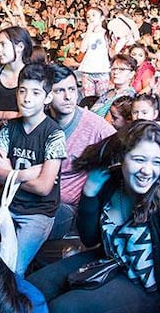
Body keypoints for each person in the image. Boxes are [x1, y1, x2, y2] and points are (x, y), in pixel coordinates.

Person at [28, 121, 160, 313]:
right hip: (112, 261)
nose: (147, 170)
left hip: (149, 284)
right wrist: (90, 193)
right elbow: (89, 238)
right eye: (139, 159)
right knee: (32, 288)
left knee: (63, 308)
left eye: (157, 162)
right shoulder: (113, 181)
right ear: (122, 157)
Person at [0, 62, 67, 275]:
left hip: (37, 213)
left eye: (35, 92)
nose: (27, 98)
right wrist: (27, 173)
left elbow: (43, 187)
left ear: (47, 98)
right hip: (8, 206)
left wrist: (10, 174)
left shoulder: (54, 134)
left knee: (12, 268)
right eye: (22, 91)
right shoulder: (10, 128)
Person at [46, 64, 115, 240]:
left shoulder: (95, 126)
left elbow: (121, 151)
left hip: (68, 207)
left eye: (71, 89)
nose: (68, 96)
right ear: (46, 95)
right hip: (37, 197)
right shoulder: (40, 122)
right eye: (59, 90)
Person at [0, 26, 30, 196]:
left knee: (14, 195)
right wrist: (10, 115)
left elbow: (28, 115)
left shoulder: (30, 75)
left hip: (21, 142)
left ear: (20, 46)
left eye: (3, 45)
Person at [77, 7, 111, 97]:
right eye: (88, 17)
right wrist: (89, 31)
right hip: (88, 71)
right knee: (87, 99)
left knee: (102, 99)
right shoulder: (86, 35)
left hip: (102, 71)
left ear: (102, 18)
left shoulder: (107, 34)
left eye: (93, 15)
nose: (90, 18)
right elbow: (82, 49)